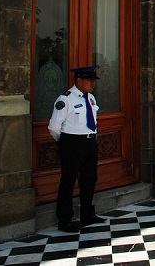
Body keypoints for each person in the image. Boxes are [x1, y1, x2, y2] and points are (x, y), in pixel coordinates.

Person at [48, 65, 105, 233]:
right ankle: (64, 219)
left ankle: (87, 214)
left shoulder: (91, 99)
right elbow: (53, 126)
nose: (92, 84)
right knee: (68, 180)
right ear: (79, 80)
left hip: (89, 142)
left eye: (93, 81)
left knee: (90, 178)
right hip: (72, 143)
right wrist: (64, 142)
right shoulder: (66, 99)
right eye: (89, 80)